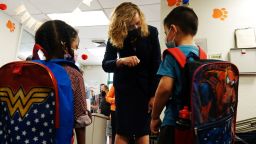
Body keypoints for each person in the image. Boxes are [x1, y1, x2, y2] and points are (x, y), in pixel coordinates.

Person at [102, 2, 161, 144]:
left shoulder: (151, 32)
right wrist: (120, 61)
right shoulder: (115, 36)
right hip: (124, 92)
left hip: (144, 92)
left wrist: (153, 95)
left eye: (137, 23)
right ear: (121, 25)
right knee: (123, 131)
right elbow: (106, 64)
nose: (135, 28)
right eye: (130, 26)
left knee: (142, 131)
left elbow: (156, 65)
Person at [34, 20, 90, 144]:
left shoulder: (32, 70)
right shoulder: (74, 74)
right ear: (65, 46)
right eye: (76, 47)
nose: (77, 51)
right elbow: (80, 121)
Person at [150, 6, 200, 144]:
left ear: (173, 29)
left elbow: (165, 89)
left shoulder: (171, 55)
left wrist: (154, 117)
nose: (166, 37)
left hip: (174, 122)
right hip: (198, 123)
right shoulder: (202, 56)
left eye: (166, 32)